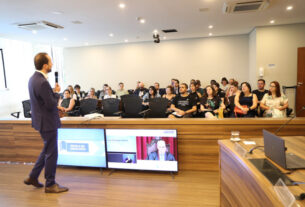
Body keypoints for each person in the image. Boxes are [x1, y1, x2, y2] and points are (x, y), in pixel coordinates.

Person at [24, 52, 68, 193]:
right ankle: (50, 184)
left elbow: (43, 101)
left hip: (40, 120)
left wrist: (52, 96)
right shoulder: (42, 82)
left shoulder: (33, 79)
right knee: (51, 152)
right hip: (47, 122)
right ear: (45, 65)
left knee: (46, 150)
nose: (52, 64)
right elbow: (50, 103)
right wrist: (56, 93)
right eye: (50, 62)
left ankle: (33, 176)